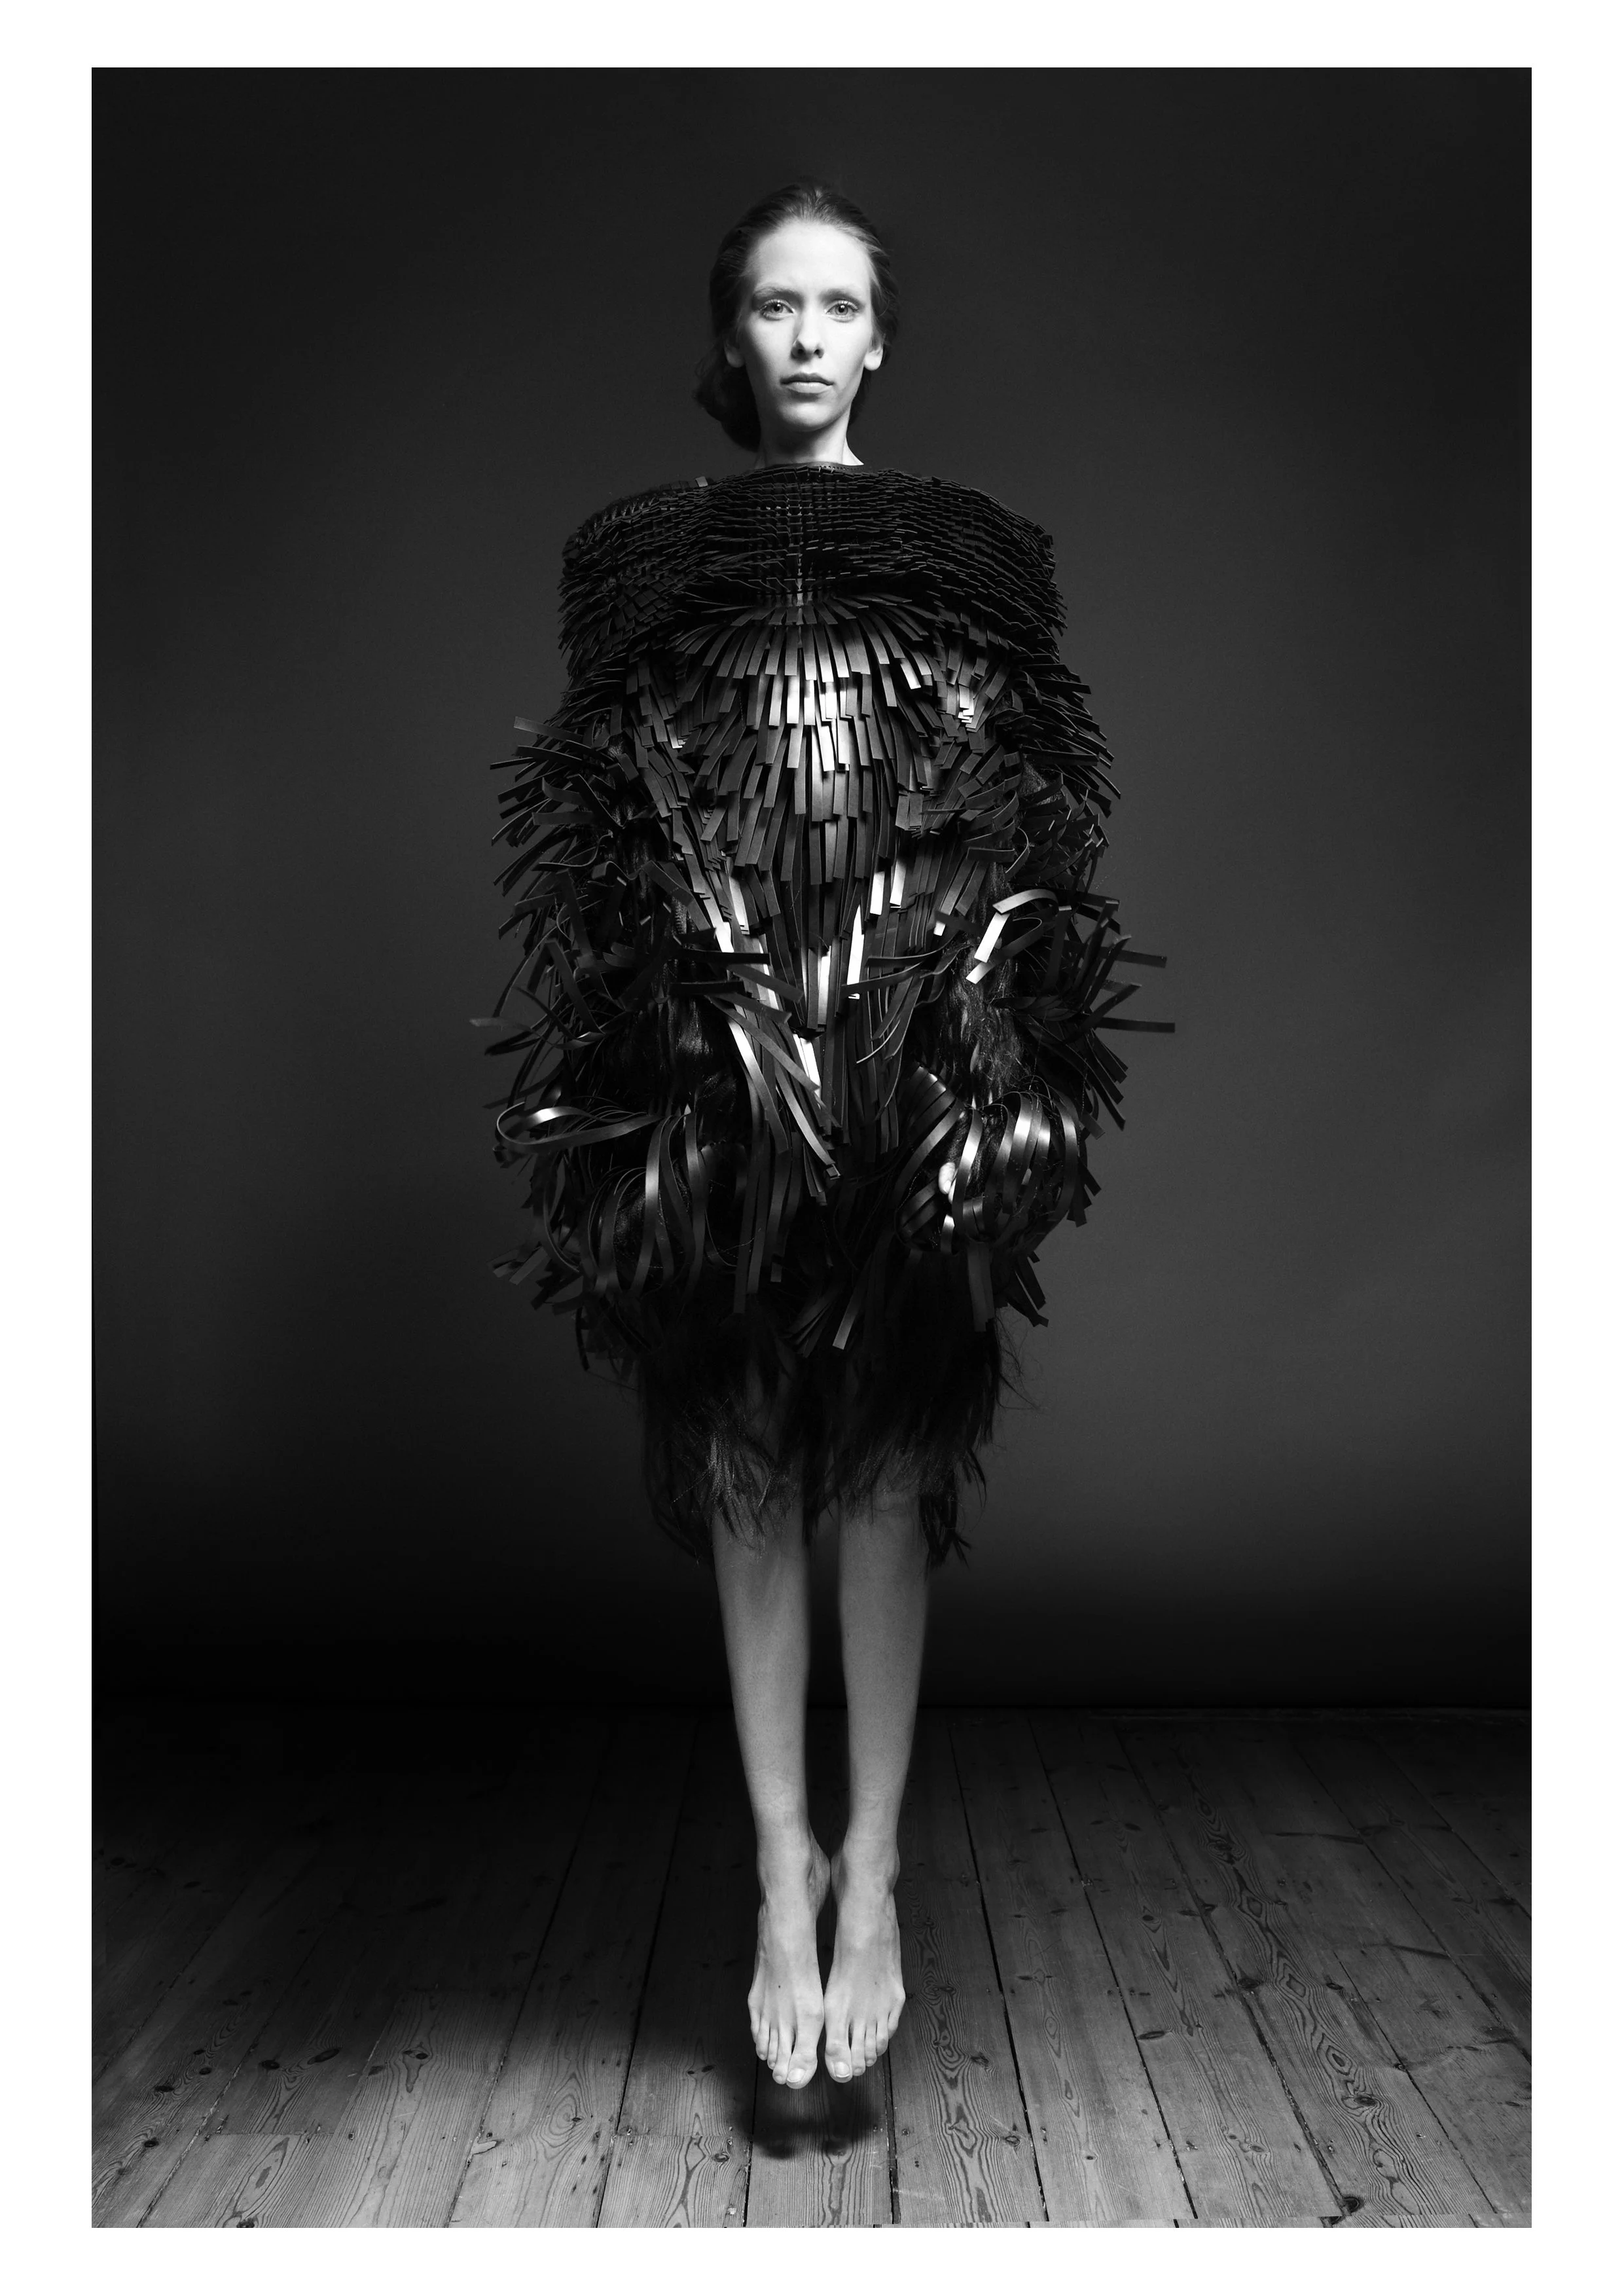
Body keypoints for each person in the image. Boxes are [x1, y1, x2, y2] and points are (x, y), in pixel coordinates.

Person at [487, 184, 1163, 2091]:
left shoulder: (975, 554)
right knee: (742, 1459)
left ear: (879, 341)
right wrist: (675, 1050)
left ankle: (877, 1874)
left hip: (913, 1054)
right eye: (774, 306)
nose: (804, 338)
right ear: (733, 337)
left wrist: (980, 1055)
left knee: (881, 1463)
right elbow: (598, 837)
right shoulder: (632, 563)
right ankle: (780, 1872)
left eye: (838, 306)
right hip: (711, 1069)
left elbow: (1028, 820)